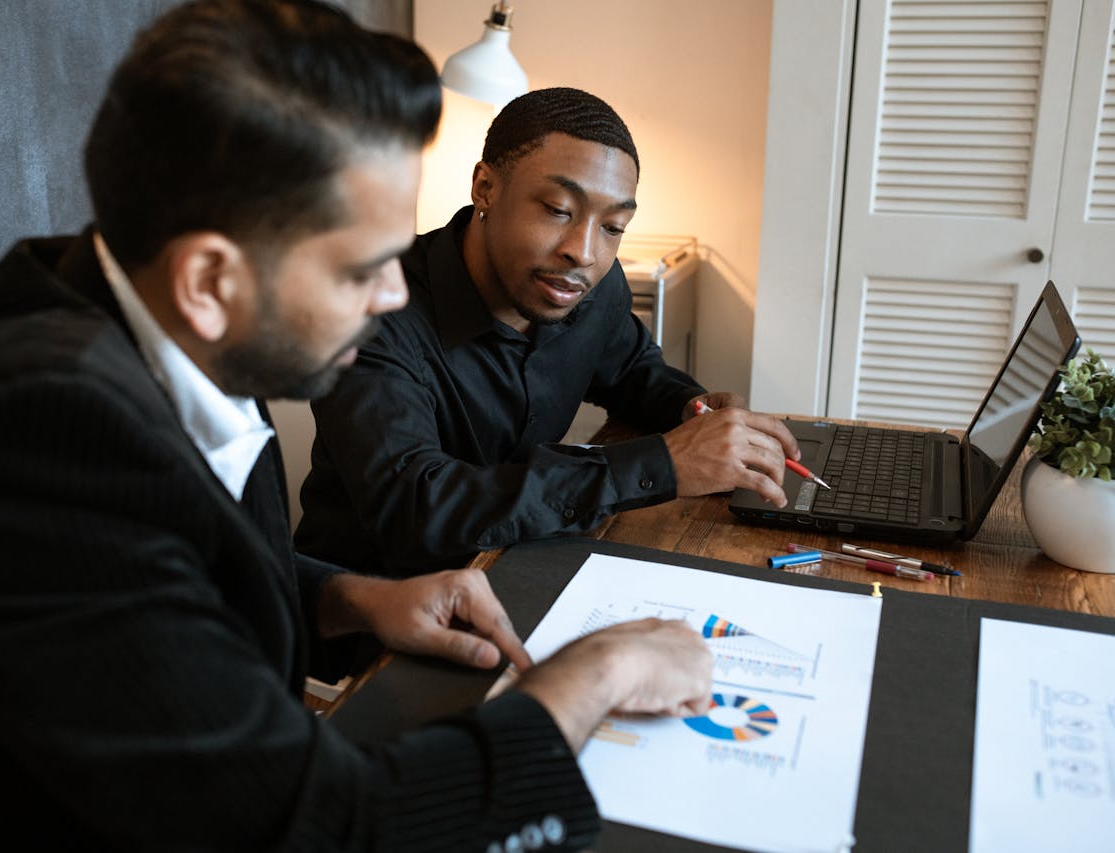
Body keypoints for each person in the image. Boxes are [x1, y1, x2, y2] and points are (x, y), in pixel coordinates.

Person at [0, 2, 718, 850]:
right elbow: (332, 827)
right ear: (211, 279)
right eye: (361, 269)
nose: (395, 295)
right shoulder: (38, 445)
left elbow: (164, 569)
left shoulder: (142, 312)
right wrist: (594, 676)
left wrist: (349, 594)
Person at [295, 86, 800, 577]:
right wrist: (662, 464)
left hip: (524, 564)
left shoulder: (589, 286)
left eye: (613, 227)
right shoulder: (375, 310)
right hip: (377, 610)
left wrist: (693, 411)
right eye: (559, 210)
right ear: (485, 188)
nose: (583, 251)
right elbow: (418, 509)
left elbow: (632, 371)